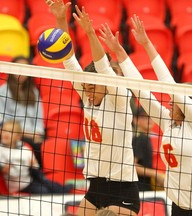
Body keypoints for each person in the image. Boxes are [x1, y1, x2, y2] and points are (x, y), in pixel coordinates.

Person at [99, 15, 192, 216]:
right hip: (178, 210)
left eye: (175, 102)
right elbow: (141, 92)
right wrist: (120, 52)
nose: (169, 102)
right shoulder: (169, 122)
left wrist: (147, 44)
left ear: (187, 105)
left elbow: (169, 84)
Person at [46, 0, 140, 215]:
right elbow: (68, 59)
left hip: (122, 188)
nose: (87, 92)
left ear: (105, 86)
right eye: (85, 87)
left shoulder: (118, 98)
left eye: (91, 87)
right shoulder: (88, 98)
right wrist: (61, 19)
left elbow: (104, 68)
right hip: (96, 186)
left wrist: (89, 33)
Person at [0, 119, 72, 194]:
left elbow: (35, 168)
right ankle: (63, 189)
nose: (5, 134)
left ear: (18, 137)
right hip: (16, 185)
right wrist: (1, 168)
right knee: (44, 191)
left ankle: (62, 189)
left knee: (45, 181)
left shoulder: (25, 148)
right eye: (4, 131)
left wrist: (33, 166)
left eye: (10, 132)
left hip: (29, 180)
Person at [0, 56, 45, 166]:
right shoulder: (2, 91)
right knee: (36, 146)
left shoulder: (34, 92)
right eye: (18, 69)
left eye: (25, 70)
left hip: (34, 133)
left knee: (47, 145)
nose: (21, 73)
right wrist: (22, 133)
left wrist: (37, 133)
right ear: (11, 70)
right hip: (14, 134)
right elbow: (1, 121)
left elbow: (39, 119)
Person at [130, 97, 165, 191]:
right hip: (140, 188)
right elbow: (132, 166)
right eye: (144, 117)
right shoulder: (141, 138)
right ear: (135, 120)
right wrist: (156, 174)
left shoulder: (144, 137)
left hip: (143, 187)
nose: (149, 120)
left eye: (151, 117)